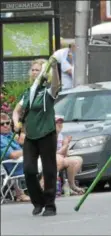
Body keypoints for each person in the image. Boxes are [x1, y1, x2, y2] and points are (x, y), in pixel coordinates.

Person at [13, 58, 60, 216]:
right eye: (33, 70)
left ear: (44, 74)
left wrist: (54, 68)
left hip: (47, 134)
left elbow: (56, 85)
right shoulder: (28, 93)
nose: (34, 72)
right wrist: (16, 124)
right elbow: (16, 111)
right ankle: (38, 201)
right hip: (31, 136)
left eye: (38, 70)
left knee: (49, 170)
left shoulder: (47, 91)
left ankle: (50, 205)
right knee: (28, 169)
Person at [0, 112, 30, 202]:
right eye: (2, 124)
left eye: (8, 123)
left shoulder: (11, 136)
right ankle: (23, 193)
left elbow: (22, 147)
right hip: (12, 165)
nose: (6, 125)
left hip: (20, 162)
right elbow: (12, 155)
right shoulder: (1, 139)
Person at [55, 115, 85, 195]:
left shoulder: (60, 136)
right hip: (51, 158)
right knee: (60, 160)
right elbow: (52, 153)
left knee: (77, 160)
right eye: (57, 122)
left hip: (60, 158)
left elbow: (65, 154)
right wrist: (65, 145)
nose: (60, 124)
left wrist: (66, 145)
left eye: (61, 122)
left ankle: (71, 185)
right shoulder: (49, 135)